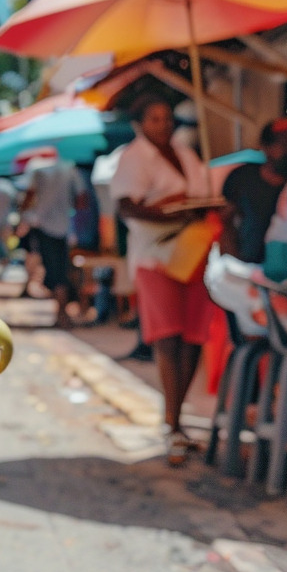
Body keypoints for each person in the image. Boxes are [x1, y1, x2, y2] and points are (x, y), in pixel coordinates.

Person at [110, 95, 215, 467]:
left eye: (167, 117)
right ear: (141, 122)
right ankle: (172, 419)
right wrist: (165, 208)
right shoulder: (133, 157)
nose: (163, 124)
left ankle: (177, 416)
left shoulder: (185, 153)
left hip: (192, 251)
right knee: (168, 336)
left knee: (193, 336)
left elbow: (202, 195)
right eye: (155, 118)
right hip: (155, 256)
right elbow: (126, 204)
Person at [17, 150, 88, 328]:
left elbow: (29, 195)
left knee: (53, 271)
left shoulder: (36, 169)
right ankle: (62, 313)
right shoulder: (70, 169)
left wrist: (23, 213)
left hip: (44, 226)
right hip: (65, 227)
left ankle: (61, 314)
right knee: (62, 270)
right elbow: (81, 200)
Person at [219, 119, 287, 265]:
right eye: (283, 144)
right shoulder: (242, 177)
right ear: (265, 147)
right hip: (245, 266)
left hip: (284, 272)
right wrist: (234, 263)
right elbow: (226, 220)